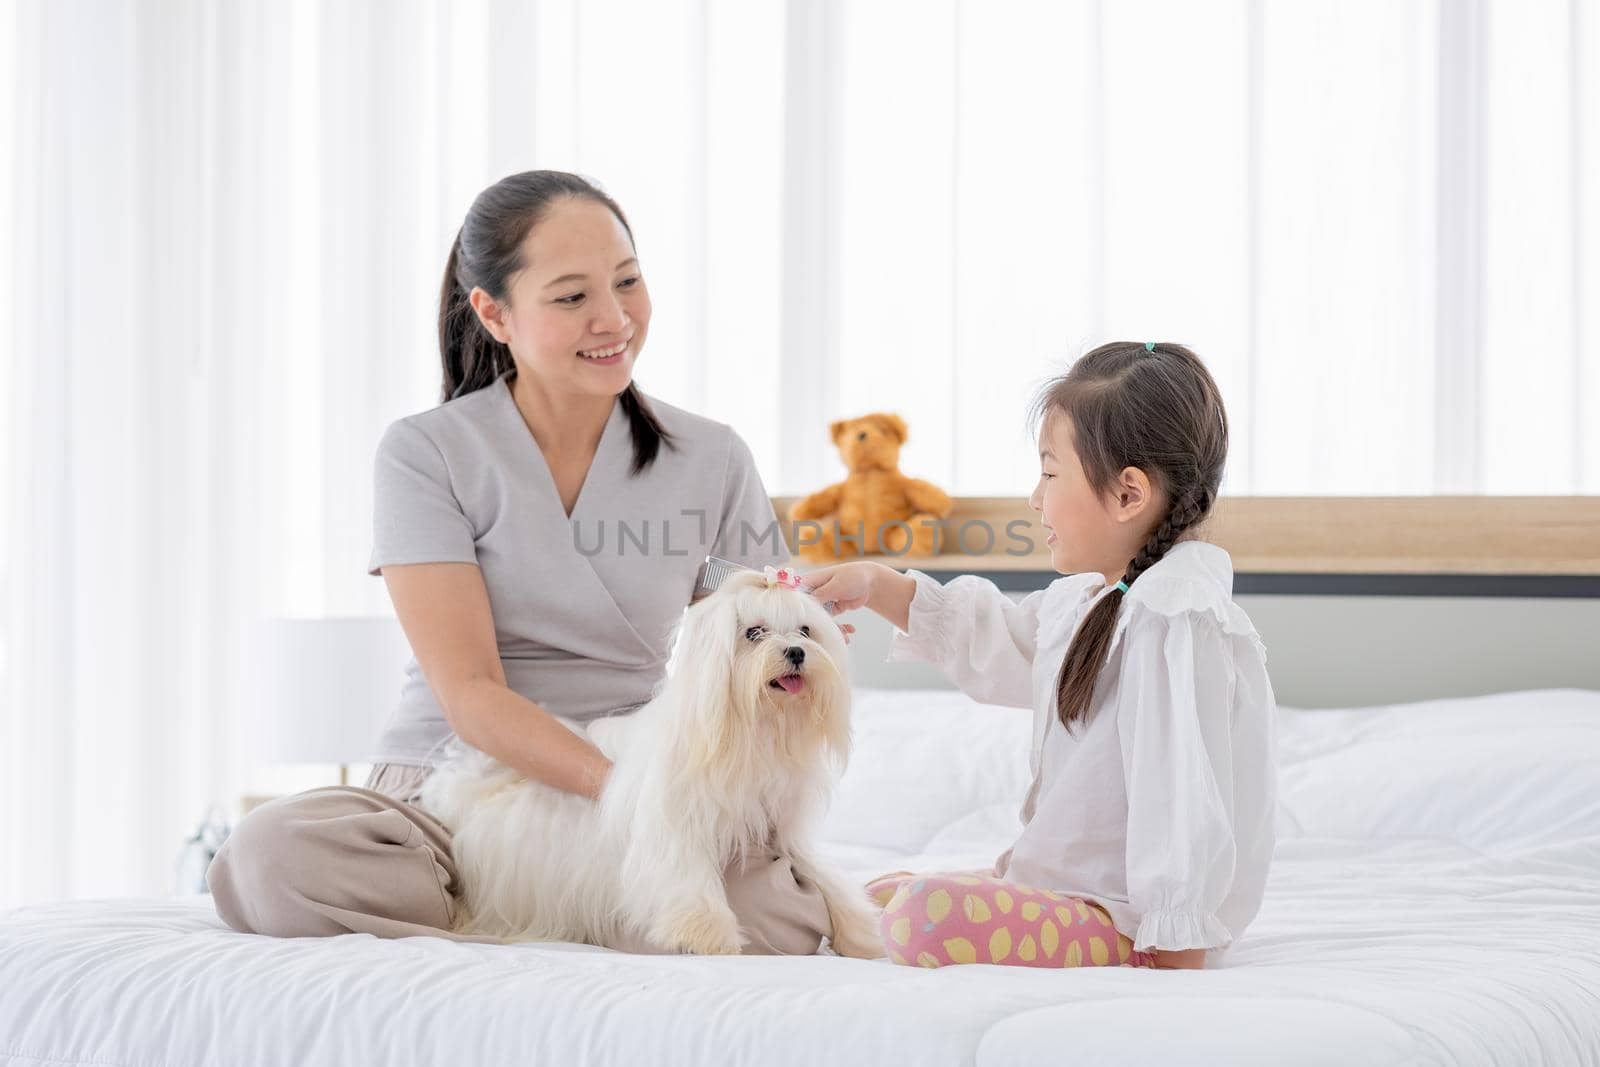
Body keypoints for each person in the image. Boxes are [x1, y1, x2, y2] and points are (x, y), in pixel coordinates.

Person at [209, 171, 830, 954]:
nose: (614, 318)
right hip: (453, 793)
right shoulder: (428, 451)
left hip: (642, 780)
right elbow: (469, 692)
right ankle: (544, 906)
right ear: (493, 313)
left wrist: (697, 803)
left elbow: (756, 646)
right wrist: (634, 799)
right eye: (572, 297)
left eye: (628, 281)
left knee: (784, 920)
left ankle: (533, 909)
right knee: (269, 859)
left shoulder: (711, 457)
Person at [803, 342, 1277, 970]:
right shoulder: (1092, 599)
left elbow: (1182, 801)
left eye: (1050, 474)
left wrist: (1176, 945)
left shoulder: (1174, 617)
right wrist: (878, 584)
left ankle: (1141, 944)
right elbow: (997, 640)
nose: (1035, 498)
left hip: (1134, 924)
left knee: (920, 915)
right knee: (862, 901)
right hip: (1063, 891)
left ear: (1128, 494)